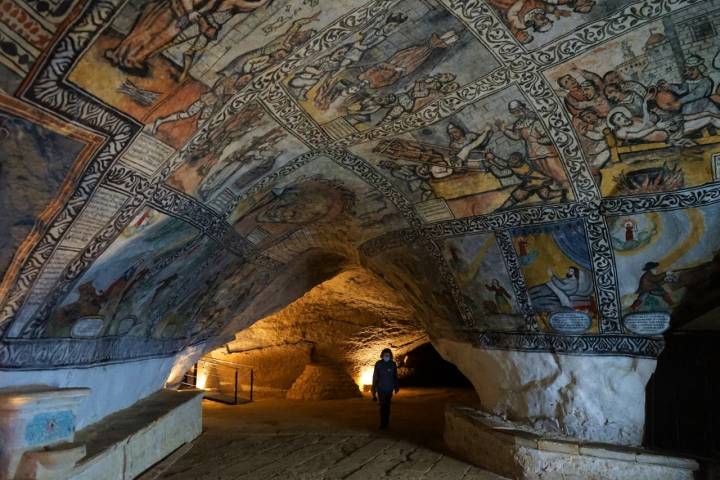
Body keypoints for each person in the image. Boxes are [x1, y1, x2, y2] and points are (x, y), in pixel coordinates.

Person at [371, 348, 399, 429]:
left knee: (387, 406)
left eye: (388, 355)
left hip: (389, 389)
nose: (386, 356)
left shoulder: (393, 364)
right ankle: (382, 423)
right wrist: (373, 388)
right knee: (382, 406)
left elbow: (395, 376)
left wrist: (396, 386)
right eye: (385, 355)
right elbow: (375, 376)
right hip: (381, 388)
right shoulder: (378, 364)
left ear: (390, 356)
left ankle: (386, 423)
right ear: (382, 355)